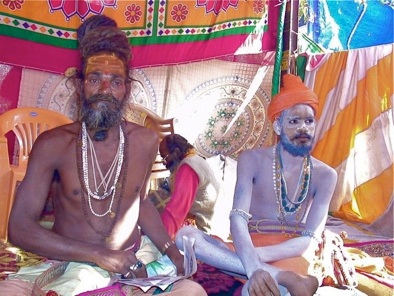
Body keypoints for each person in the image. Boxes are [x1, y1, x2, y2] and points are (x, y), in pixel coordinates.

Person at [4, 15, 206, 296]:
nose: (104, 91)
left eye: (116, 82)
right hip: (70, 261)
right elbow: (19, 227)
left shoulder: (145, 140)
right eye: (95, 78)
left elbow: (139, 200)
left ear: (127, 89)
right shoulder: (54, 144)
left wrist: (172, 251)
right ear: (79, 85)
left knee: (192, 292)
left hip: (134, 260)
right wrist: (97, 254)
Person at [175, 74, 339, 296]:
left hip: (291, 251)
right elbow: (237, 218)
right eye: (294, 121)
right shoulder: (251, 159)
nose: (303, 128)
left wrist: (253, 258)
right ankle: (285, 278)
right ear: (277, 126)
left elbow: (308, 240)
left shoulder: (326, 175)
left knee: (252, 292)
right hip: (248, 247)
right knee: (186, 236)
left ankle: (272, 274)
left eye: (309, 121)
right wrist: (252, 264)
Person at [154, 134, 222, 239]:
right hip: (212, 221)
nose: (164, 163)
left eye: (165, 157)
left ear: (176, 152)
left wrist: (161, 242)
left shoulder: (188, 168)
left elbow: (176, 209)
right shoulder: (194, 158)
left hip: (204, 229)